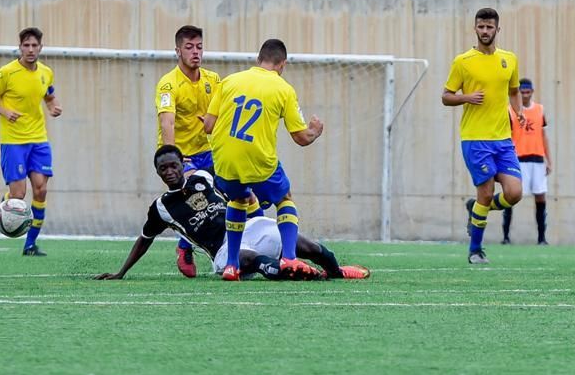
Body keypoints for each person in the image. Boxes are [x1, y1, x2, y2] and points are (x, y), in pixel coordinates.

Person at [95, 146, 370, 281]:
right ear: (158, 173)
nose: (169, 171)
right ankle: (301, 273)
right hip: (223, 251)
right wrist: (121, 273)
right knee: (253, 260)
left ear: (183, 164)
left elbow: (235, 173)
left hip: (249, 228)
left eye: (173, 165)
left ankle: (336, 272)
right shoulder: (162, 207)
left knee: (306, 244)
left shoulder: (204, 176)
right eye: (163, 169)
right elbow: (145, 239)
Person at [203, 39, 324, 281]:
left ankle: (231, 266)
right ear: (282, 64)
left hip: (224, 160)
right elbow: (301, 138)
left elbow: (208, 125)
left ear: (258, 60)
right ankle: (289, 257)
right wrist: (315, 130)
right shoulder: (283, 89)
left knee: (238, 199)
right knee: (285, 198)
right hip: (258, 160)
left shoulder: (229, 81)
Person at [442, 7, 525, 264]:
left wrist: (518, 111)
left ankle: (475, 208)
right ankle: (475, 250)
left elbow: (513, 90)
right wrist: (466, 97)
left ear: (497, 29)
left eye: (490, 27)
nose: (485, 31)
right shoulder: (463, 61)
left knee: (515, 193)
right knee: (486, 193)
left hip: (503, 139)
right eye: (481, 27)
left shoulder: (509, 59)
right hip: (475, 139)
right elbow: (446, 96)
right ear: (475, 28)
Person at [0, 27, 62, 256]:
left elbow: (49, 94)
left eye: (34, 45)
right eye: (25, 45)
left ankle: (30, 244)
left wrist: (52, 106)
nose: (30, 49)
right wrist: (5, 112)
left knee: (41, 190)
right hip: (13, 141)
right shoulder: (6, 73)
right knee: (18, 194)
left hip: (39, 139)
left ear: (40, 48)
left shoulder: (46, 72)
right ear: (20, 47)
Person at [155, 25, 223, 278]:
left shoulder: (213, 80)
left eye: (199, 47)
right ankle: (185, 249)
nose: (195, 52)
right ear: (178, 51)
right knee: (198, 196)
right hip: (182, 156)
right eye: (189, 47)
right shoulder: (168, 84)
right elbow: (167, 122)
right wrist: (174, 157)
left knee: (229, 196)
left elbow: (221, 116)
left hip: (209, 150)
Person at [502, 78, 552, 245]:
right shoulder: (510, 110)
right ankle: (506, 237)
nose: (524, 94)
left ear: (532, 91)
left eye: (527, 91)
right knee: (512, 196)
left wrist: (548, 160)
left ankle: (542, 238)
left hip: (537, 159)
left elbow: (543, 135)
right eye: (521, 91)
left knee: (540, 197)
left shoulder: (539, 109)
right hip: (518, 158)